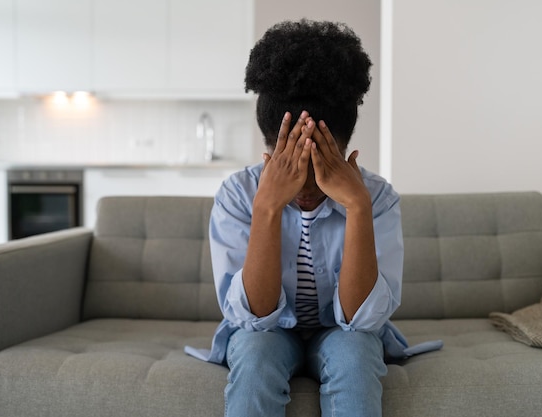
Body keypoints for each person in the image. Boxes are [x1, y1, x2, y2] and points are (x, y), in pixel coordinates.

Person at [184, 19, 441, 417]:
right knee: (253, 356)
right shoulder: (239, 195)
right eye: (292, 167)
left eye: (321, 169)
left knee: (354, 354)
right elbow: (253, 318)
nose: (305, 189)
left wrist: (357, 207)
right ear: (270, 152)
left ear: (344, 151)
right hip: (267, 335)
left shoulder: (378, 199)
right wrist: (268, 207)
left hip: (342, 333)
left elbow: (361, 320)